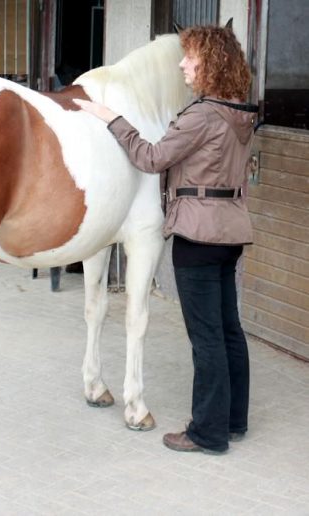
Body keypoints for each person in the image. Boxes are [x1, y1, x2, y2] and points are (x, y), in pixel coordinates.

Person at [74, 24, 257, 454]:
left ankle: (207, 432)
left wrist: (112, 119)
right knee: (229, 329)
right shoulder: (239, 113)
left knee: (207, 336)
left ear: (208, 63)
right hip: (229, 232)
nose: (181, 64)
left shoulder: (201, 115)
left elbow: (151, 158)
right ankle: (234, 420)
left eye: (190, 57)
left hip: (196, 234)